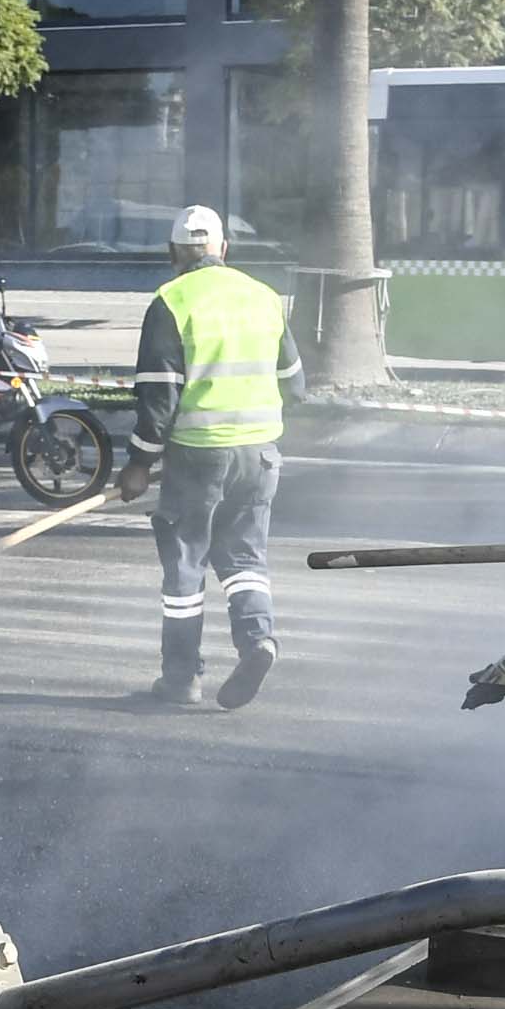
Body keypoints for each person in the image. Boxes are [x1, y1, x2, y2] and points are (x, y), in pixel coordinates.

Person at [124, 206, 301, 711]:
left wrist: (139, 462)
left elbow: (159, 397)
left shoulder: (170, 301)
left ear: (174, 253)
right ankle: (257, 641)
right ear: (223, 249)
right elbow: (295, 382)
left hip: (198, 458)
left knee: (185, 565)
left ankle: (181, 679)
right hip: (260, 453)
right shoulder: (263, 297)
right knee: (245, 559)